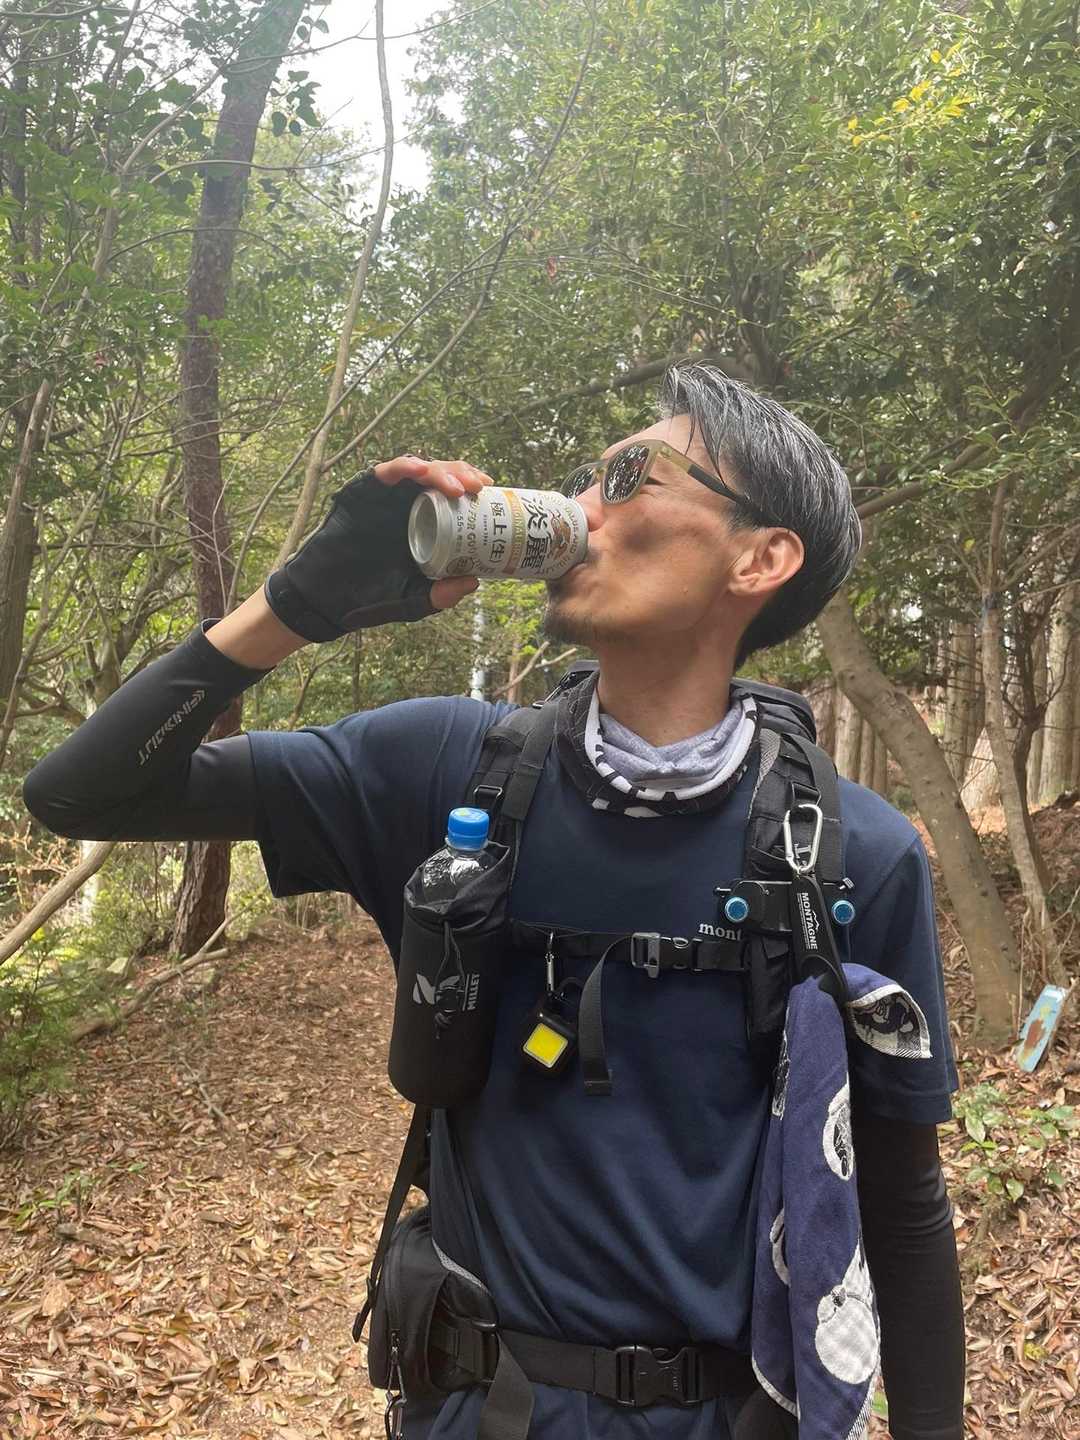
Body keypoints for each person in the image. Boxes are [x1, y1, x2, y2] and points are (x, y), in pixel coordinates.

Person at [23, 363, 964, 1440]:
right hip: (481, 1412)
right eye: (587, 479)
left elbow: (901, 1200)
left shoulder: (854, 854)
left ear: (761, 557)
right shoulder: (443, 767)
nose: (584, 507)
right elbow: (78, 795)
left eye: (631, 476)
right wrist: (293, 607)